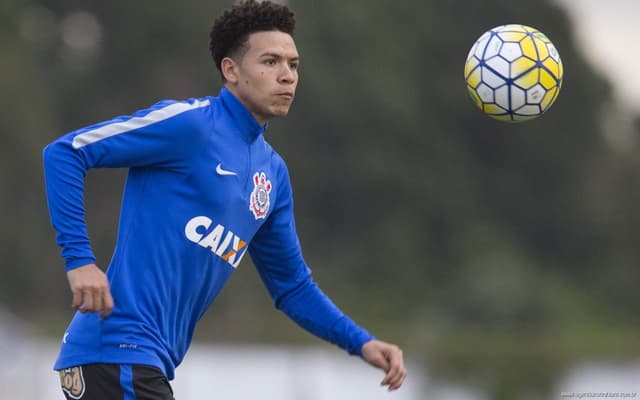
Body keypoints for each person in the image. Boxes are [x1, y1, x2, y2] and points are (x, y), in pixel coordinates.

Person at [43, 1, 406, 398]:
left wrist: (361, 342)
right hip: (116, 351)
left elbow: (292, 287)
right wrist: (79, 260)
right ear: (231, 70)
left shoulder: (272, 175)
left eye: (294, 64)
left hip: (140, 362)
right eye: (270, 62)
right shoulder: (190, 125)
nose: (286, 76)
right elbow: (66, 152)